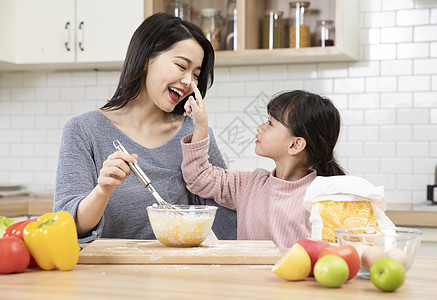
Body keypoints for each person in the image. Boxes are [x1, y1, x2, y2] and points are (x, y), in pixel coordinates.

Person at [54, 13, 237, 242]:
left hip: (174, 275)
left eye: (196, 75)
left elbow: (230, 223)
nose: (189, 82)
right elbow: (65, 226)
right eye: (181, 66)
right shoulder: (83, 130)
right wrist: (102, 191)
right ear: (145, 59)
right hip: (103, 275)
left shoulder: (194, 137)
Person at [181, 87, 346, 248]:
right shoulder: (249, 184)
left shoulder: (320, 200)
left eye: (270, 123)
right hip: (247, 276)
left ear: (295, 145)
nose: (259, 127)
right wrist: (201, 127)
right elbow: (198, 177)